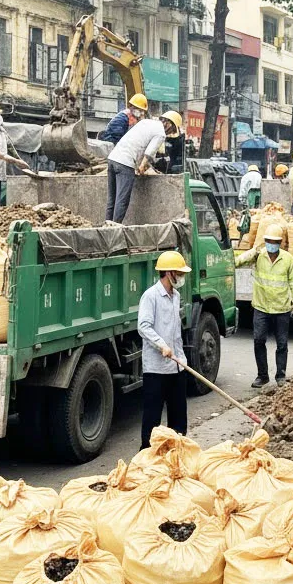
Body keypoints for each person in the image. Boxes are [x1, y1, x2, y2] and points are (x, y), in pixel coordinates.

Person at [234, 224, 293, 387]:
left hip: (281, 308)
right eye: (269, 241)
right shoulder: (258, 256)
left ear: (280, 242)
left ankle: (281, 376)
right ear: (265, 241)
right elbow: (236, 263)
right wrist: (253, 251)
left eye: (275, 241)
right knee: (258, 341)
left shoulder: (288, 259)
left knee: (282, 343)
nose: (272, 244)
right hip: (261, 307)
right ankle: (262, 375)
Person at [137, 250, 190, 448]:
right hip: (157, 369)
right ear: (169, 273)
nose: (182, 277)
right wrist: (162, 345)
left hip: (177, 365)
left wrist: (179, 356)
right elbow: (143, 326)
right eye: (180, 273)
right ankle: (147, 457)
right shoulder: (150, 296)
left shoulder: (175, 296)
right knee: (152, 420)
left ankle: (176, 455)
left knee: (179, 419)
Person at [105, 111, 182, 223]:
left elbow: (137, 144)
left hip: (113, 158)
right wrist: (141, 167)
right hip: (125, 163)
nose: (170, 133)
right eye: (173, 130)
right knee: (122, 200)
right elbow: (149, 153)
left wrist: (144, 165)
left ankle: (107, 226)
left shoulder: (145, 122)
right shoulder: (161, 133)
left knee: (112, 199)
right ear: (169, 124)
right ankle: (115, 228)